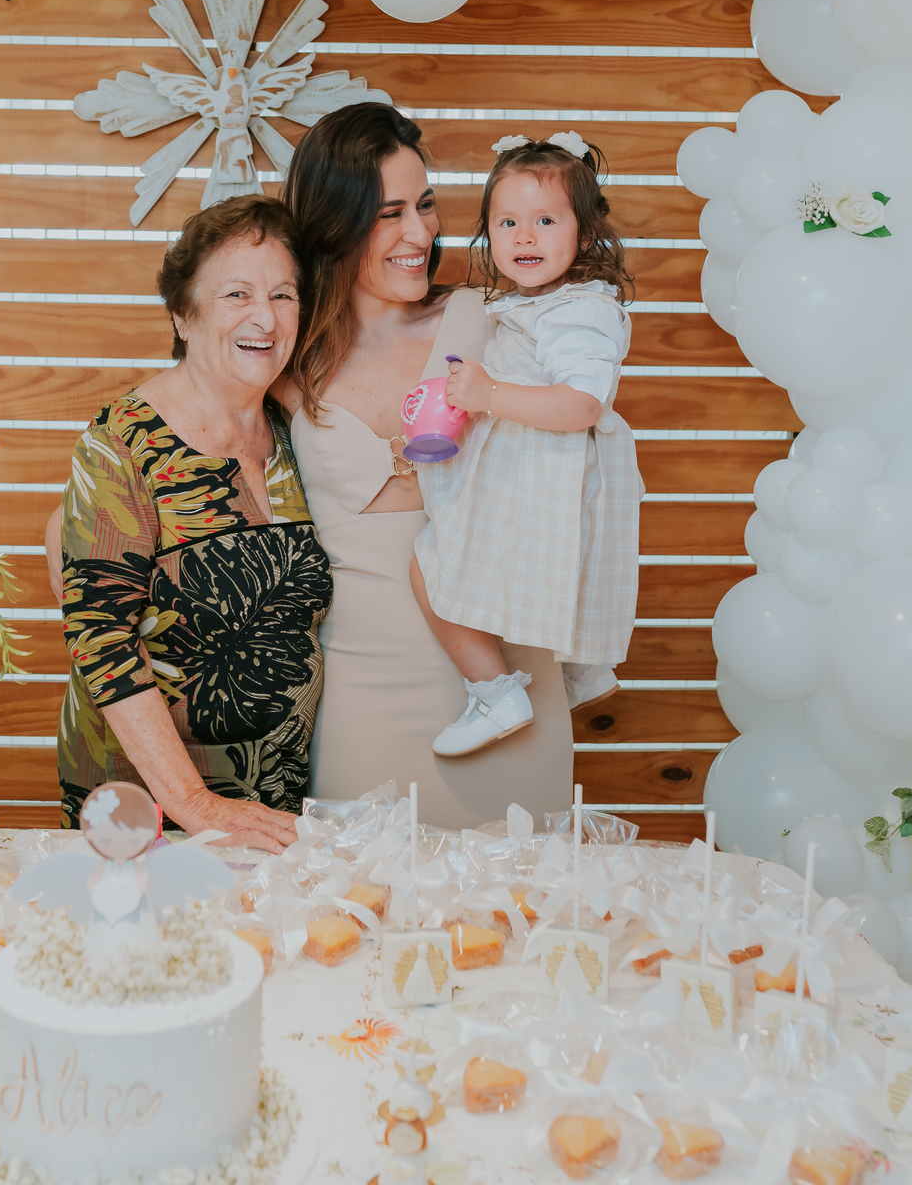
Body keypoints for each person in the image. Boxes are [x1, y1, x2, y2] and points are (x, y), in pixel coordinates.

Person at [276, 102, 575, 829]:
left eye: (426, 205)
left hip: (513, 685)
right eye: (388, 214)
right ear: (331, 224)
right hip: (364, 699)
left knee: (517, 927)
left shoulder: (496, 321)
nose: (420, 234)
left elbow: (584, 421)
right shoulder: (283, 364)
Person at [53, 195, 332, 851]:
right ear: (183, 313)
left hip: (277, 798)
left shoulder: (295, 432)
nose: (264, 316)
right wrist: (193, 803)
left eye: (284, 295)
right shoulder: (123, 441)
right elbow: (100, 634)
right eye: (237, 293)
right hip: (147, 808)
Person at [411, 131, 644, 757]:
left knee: (431, 564)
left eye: (545, 220)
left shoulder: (579, 312)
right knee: (489, 577)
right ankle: (557, 679)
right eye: (507, 221)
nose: (524, 237)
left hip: (545, 478)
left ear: (586, 234)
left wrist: (488, 396)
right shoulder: (534, 305)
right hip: (530, 474)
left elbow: (581, 403)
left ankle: (495, 689)